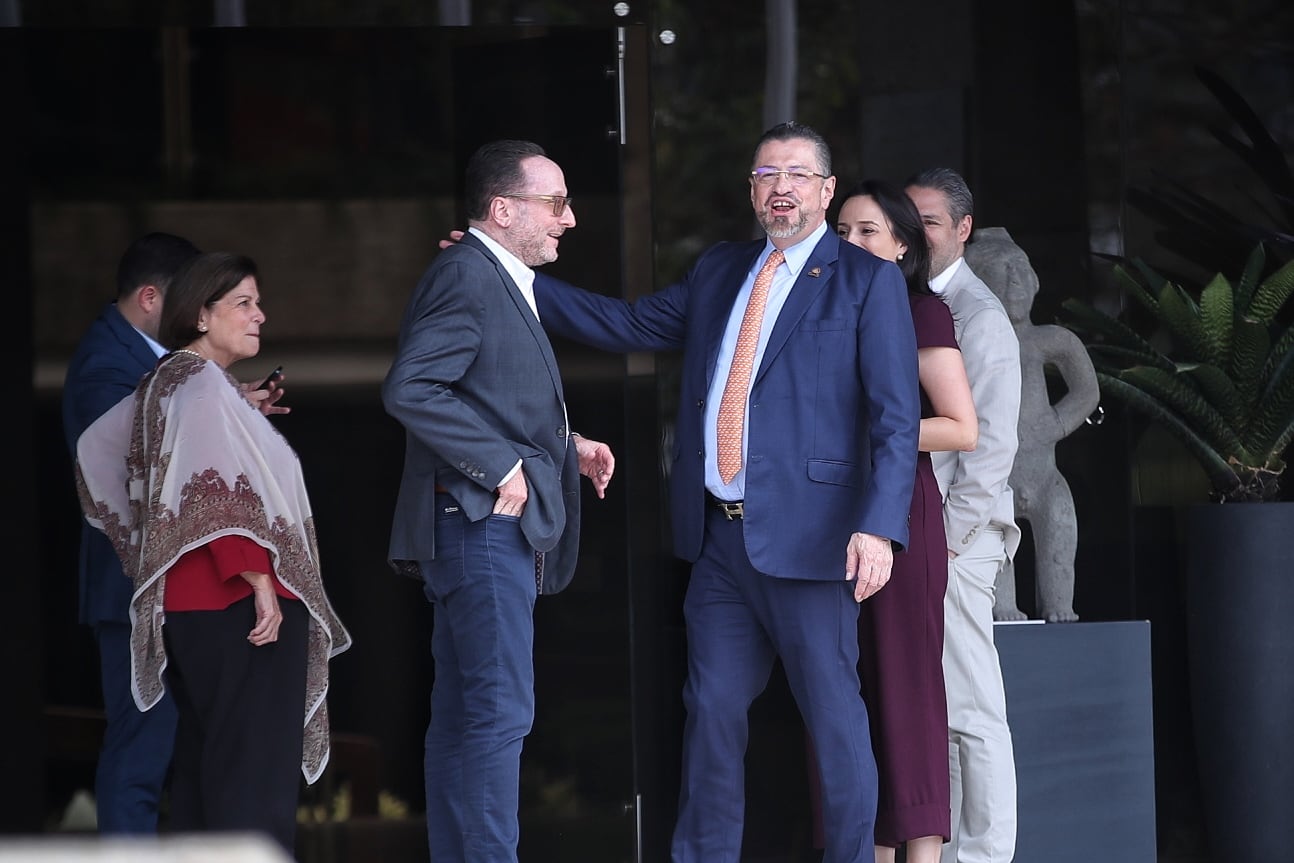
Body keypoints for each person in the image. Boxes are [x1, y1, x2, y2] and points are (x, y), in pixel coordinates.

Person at [527, 121, 921, 863]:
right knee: (709, 711)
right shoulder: (720, 270)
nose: (781, 187)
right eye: (766, 173)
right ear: (751, 190)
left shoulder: (864, 280)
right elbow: (629, 322)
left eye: (798, 174)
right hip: (719, 542)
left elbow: (897, 420)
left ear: (827, 189)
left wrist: (879, 526)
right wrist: (515, 279)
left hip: (815, 538)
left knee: (834, 720)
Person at [381, 139, 615, 863]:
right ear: (502, 207)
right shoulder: (471, 276)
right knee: (498, 710)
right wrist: (501, 463)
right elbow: (412, 386)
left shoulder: (493, 276)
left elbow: (486, 389)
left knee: (464, 714)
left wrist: (563, 443)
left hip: (475, 524)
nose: (569, 219)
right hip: (481, 525)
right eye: (555, 203)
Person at [74, 251, 352, 854]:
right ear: (202, 315)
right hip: (237, 606)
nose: (261, 315)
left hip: (196, 607)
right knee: (251, 779)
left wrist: (232, 414)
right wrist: (251, 572)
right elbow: (209, 488)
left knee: (209, 771)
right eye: (243, 303)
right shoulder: (198, 386)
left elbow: (100, 451)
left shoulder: (176, 381)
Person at [61, 232, 287, 832]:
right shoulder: (103, 365)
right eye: (192, 296)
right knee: (142, 747)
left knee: (185, 746)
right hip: (132, 582)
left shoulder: (159, 363)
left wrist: (231, 405)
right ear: (152, 296)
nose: (195, 309)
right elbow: (137, 459)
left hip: (178, 584)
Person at [804, 179, 977, 863]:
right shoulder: (816, 308)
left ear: (904, 245)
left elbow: (961, 427)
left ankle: (924, 852)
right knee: (847, 692)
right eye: (841, 232)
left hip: (901, 514)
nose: (850, 243)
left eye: (867, 231)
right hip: (824, 522)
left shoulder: (919, 311)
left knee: (907, 688)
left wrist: (869, 432)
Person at [905, 168, 1022, 863]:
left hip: (957, 538)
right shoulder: (912, 302)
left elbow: (993, 446)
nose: (917, 234)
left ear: (963, 230)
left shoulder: (978, 317)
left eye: (931, 222)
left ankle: (983, 855)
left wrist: (944, 542)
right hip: (929, 537)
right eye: (908, 220)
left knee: (972, 709)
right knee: (940, 707)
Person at [964, 226, 1099, 624]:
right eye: (1002, 272)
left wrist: (1055, 425)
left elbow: (1087, 391)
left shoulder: (1050, 340)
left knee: (1059, 531)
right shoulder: (971, 341)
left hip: (1045, 476)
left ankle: (1059, 606)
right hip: (993, 481)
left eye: (1020, 269)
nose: (1015, 282)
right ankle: (1003, 610)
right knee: (996, 560)